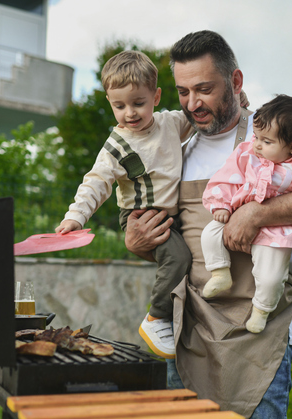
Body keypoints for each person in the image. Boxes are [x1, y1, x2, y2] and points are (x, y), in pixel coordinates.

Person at [124, 31, 292, 419]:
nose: (194, 102)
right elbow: (170, 241)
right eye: (184, 91)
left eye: (205, 88)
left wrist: (258, 212)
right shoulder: (177, 150)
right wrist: (137, 243)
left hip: (259, 333)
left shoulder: (280, 135)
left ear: (235, 80)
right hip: (189, 330)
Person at [55, 50, 194, 359]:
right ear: (110, 102)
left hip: (172, 214)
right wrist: (76, 216)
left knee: (195, 258)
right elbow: (96, 183)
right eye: (119, 106)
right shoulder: (116, 146)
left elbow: (201, 116)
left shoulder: (171, 123)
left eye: (138, 103)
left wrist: (236, 101)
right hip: (140, 216)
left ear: (156, 97)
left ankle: (178, 316)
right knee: (179, 257)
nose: (129, 112)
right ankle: (157, 317)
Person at [201, 94, 292, 333]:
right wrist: (221, 204)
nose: (258, 144)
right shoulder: (247, 153)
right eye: (256, 136)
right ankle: (219, 272)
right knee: (209, 233)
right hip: (235, 212)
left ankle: (261, 309)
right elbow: (227, 176)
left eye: (267, 141)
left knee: (272, 273)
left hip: (276, 230)